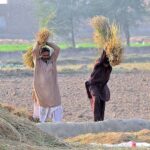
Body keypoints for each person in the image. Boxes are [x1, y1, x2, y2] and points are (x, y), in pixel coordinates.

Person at [32, 41, 63, 123]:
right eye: (44, 55)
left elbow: (57, 49)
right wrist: (39, 43)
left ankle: (57, 124)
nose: (46, 57)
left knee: (57, 105)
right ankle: (42, 124)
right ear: (41, 54)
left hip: (53, 88)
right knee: (43, 107)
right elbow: (34, 51)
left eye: (47, 55)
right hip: (41, 89)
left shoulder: (52, 60)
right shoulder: (37, 62)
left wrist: (47, 42)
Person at [85, 50, 112, 121]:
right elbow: (103, 56)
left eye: (107, 64)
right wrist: (106, 48)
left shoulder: (109, 68)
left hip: (102, 87)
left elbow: (112, 60)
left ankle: (101, 121)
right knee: (96, 98)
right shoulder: (98, 64)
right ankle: (96, 120)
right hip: (93, 85)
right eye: (105, 63)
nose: (106, 65)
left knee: (102, 103)